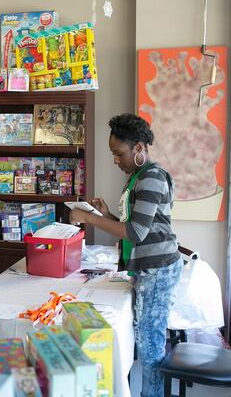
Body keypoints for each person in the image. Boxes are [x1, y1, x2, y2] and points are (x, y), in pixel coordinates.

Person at [69, 113, 183, 397]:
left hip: (157, 269)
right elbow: (134, 224)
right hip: (150, 268)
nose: (116, 160)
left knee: (150, 346)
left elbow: (136, 232)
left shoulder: (151, 178)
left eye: (119, 153)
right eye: (113, 154)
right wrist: (104, 214)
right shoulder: (139, 177)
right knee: (146, 342)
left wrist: (89, 219)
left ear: (140, 148)